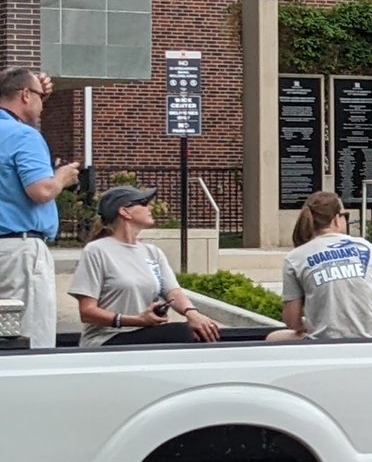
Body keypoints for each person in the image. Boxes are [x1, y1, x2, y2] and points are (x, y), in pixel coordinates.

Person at [70, 185, 223, 347]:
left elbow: (173, 292)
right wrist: (136, 320)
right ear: (125, 212)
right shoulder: (96, 250)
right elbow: (87, 312)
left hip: (144, 335)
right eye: (143, 203)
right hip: (106, 339)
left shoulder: (152, 252)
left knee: (202, 331)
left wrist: (192, 313)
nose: (150, 208)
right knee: (182, 333)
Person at [0, 69, 75, 348]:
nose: (43, 105)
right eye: (41, 98)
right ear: (25, 95)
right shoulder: (23, 135)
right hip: (19, 249)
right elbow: (41, 191)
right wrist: (62, 177)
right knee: (30, 337)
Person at [270, 190, 372, 342]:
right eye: (345, 215)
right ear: (336, 219)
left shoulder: (295, 257)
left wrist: (311, 323)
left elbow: (292, 321)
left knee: (273, 338)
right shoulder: (367, 248)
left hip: (325, 343)